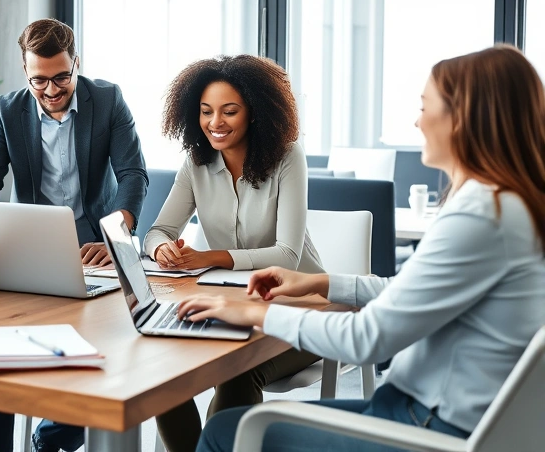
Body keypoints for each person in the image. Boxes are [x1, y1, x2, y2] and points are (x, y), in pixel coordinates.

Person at [181, 44, 545, 452]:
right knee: (236, 424)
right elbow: (408, 292)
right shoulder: (512, 206)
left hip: (425, 427)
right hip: (436, 416)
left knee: (225, 432)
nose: (417, 121)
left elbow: (367, 338)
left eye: (425, 108)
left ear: (465, 118)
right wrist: (318, 283)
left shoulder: (481, 215)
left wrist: (252, 313)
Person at [0, 18, 148, 452]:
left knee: (104, 358)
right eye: (39, 80)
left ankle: (49, 437)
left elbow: (132, 173)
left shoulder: (107, 100)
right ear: (25, 73)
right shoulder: (7, 109)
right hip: (26, 248)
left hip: (94, 249)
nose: (51, 90)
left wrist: (115, 232)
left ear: (77, 65)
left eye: (62, 77)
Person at [142, 55, 326, 452]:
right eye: (206, 111)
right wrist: (160, 248)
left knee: (239, 373)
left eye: (230, 111)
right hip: (233, 304)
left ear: (255, 113)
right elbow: (158, 230)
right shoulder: (196, 163)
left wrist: (209, 257)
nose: (215, 123)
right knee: (163, 374)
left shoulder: (288, 156)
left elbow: (287, 255)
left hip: (304, 308)